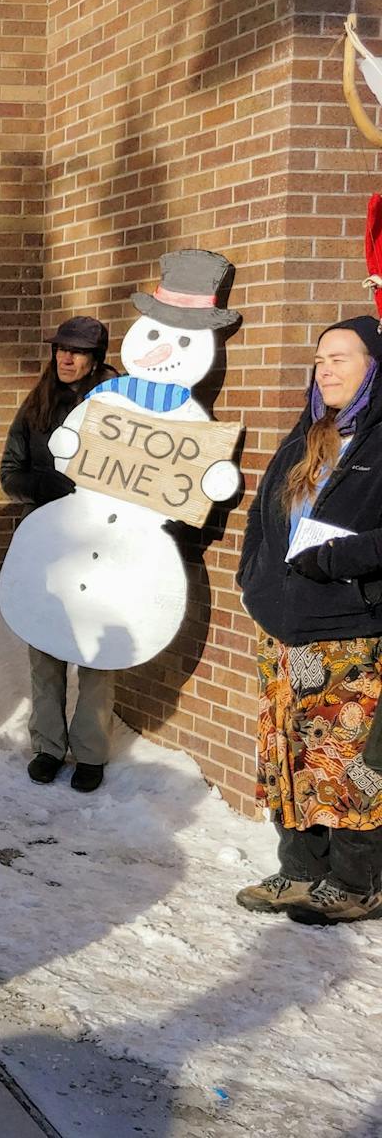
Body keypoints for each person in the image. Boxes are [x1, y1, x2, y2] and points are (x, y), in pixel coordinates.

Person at [236, 315, 382, 925]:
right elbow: (261, 520)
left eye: (341, 357)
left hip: (352, 629)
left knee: (348, 766)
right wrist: (254, 579)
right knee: (288, 756)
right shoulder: (305, 437)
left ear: (375, 367)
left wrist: (336, 558)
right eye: (321, 358)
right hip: (286, 628)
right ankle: (301, 871)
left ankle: (356, 883)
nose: (326, 368)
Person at [0, 316, 118, 792]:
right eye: (61, 349)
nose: (66, 359)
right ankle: (47, 745)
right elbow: (10, 471)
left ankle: (91, 752)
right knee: (45, 646)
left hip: (103, 543)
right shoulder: (37, 405)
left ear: (96, 357)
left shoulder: (119, 406)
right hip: (47, 543)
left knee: (97, 651)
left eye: (78, 351)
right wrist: (43, 484)